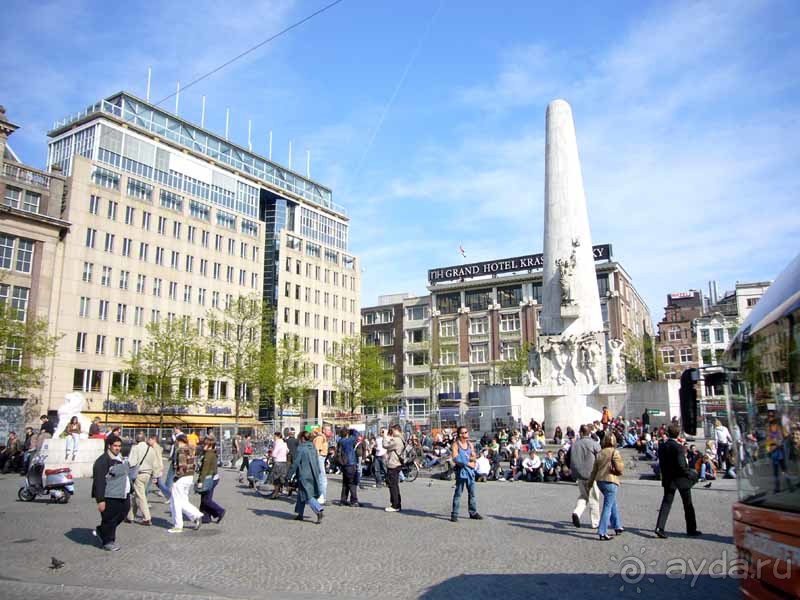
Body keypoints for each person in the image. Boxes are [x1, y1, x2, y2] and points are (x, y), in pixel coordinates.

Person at [655, 423, 701, 539]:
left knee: (666, 503)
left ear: (668, 433)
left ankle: (659, 527)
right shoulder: (678, 447)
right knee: (688, 504)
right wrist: (690, 474)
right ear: (678, 434)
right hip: (680, 479)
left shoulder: (662, 446)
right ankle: (691, 528)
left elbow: (662, 464)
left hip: (668, 478)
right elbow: (681, 466)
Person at [91, 434, 133, 551]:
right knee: (110, 518)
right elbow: (99, 481)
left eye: (119, 446)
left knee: (123, 513)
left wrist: (131, 489)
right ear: (109, 446)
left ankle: (102, 530)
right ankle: (108, 541)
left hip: (123, 493)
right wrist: (100, 500)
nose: (118, 448)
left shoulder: (120, 458)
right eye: (115, 446)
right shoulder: (102, 461)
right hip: (110, 495)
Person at [587, 433, 625, 541]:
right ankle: (602, 531)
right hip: (610, 480)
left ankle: (617, 526)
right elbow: (619, 468)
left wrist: (590, 482)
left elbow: (594, 470)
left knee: (612, 503)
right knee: (608, 506)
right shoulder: (614, 452)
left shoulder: (600, 453)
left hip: (600, 481)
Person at [168, 434, 203, 533]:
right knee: (182, 500)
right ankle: (195, 515)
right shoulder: (191, 449)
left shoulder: (181, 450)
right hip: (189, 477)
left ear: (179, 441)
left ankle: (178, 525)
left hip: (182, 478)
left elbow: (182, 466)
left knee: (176, 502)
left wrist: (177, 476)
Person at [287, 431, 324, 523]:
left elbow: (295, 463)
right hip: (313, 473)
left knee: (307, 495)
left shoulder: (301, 448)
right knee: (301, 493)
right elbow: (316, 460)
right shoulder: (313, 447)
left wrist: (289, 475)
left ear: (303, 438)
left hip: (304, 474)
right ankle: (300, 514)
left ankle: (318, 510)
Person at [570, 425, 601, 529]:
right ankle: (595, 522)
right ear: (589, 433)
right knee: (594, 499)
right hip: (592, 475)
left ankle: (577, 512)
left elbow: (568, 458)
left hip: (579, 475)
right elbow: (600, 458)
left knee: (583, 496)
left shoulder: (575, 444)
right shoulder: (594, 444)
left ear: (581, 433)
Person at [127, 432, 161, 526]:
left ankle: (147, 518)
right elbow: (155, 464)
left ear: (136, 439)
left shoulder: (135, 448)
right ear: (144, 439)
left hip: (139, 474)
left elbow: (132, 462)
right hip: (148, 474)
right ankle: (130, 516)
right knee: (136, 494)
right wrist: (155, 475)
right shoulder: (151, 449)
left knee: (140, 496)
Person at [450, 426, 482, 522]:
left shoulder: (470, 444)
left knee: (472, 493)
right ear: (460, 434)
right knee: (458, 493)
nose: (467, 433)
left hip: (470, 472)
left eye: (467, 432)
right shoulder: (456, 444)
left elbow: (474, 457)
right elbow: (455, 459)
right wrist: (468, 463)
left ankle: (473, 512)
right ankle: (454, 514)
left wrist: (468, 459)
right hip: (461, 471)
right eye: (465, 432)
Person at [197, 437, 225, 524]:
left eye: (205, 444)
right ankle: (206, 517)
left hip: (209, 479)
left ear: (210, 445)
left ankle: (219, 511)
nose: (203, 446)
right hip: (213, 478)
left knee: (206, 500)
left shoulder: (208, 455)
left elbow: (205, 470)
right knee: (205, 498)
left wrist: (201, 481)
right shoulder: (212, 453)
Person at [382, 425, 405, 512]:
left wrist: (385, 436)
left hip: (393, 464)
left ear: (396, 430)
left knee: (392, 485)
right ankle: (397, 504)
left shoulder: (396, 440)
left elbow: (385, 445)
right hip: (397, 463)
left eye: (392, 431)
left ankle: (395, 505)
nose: (392, 433)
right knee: (395, 485)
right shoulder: (401, 438)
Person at [338, 428, 361, 507]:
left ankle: (343, 500)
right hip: (350, 463)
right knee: (352, 482)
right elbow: (356, 435)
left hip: (344, 464)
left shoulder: (340, 441)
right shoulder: (348, 441)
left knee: (345, 483)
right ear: (347, 434)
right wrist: (352, 430)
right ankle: (354, 501)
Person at [270, 432, 289, 497]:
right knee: (282, 477)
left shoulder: (277, 443)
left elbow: (274, 453)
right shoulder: (284, 443)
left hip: (278, 461)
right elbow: (287, 451)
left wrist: (271, 456)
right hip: (284, 461)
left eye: (274, 436)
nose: (274, 438)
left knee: (276, 478)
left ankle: (275, 493)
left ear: (277, 436)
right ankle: (284, 489)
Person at [312, 428, 328, 503]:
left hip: (321, 457)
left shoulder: (322, 437)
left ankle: (321, 495)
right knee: (322, 477)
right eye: (328, 430)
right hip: (320, 457)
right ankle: (322, 496)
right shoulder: (320, 438)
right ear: (324, 430)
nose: (330, 432)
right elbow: (317, 449)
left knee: (321, 477)